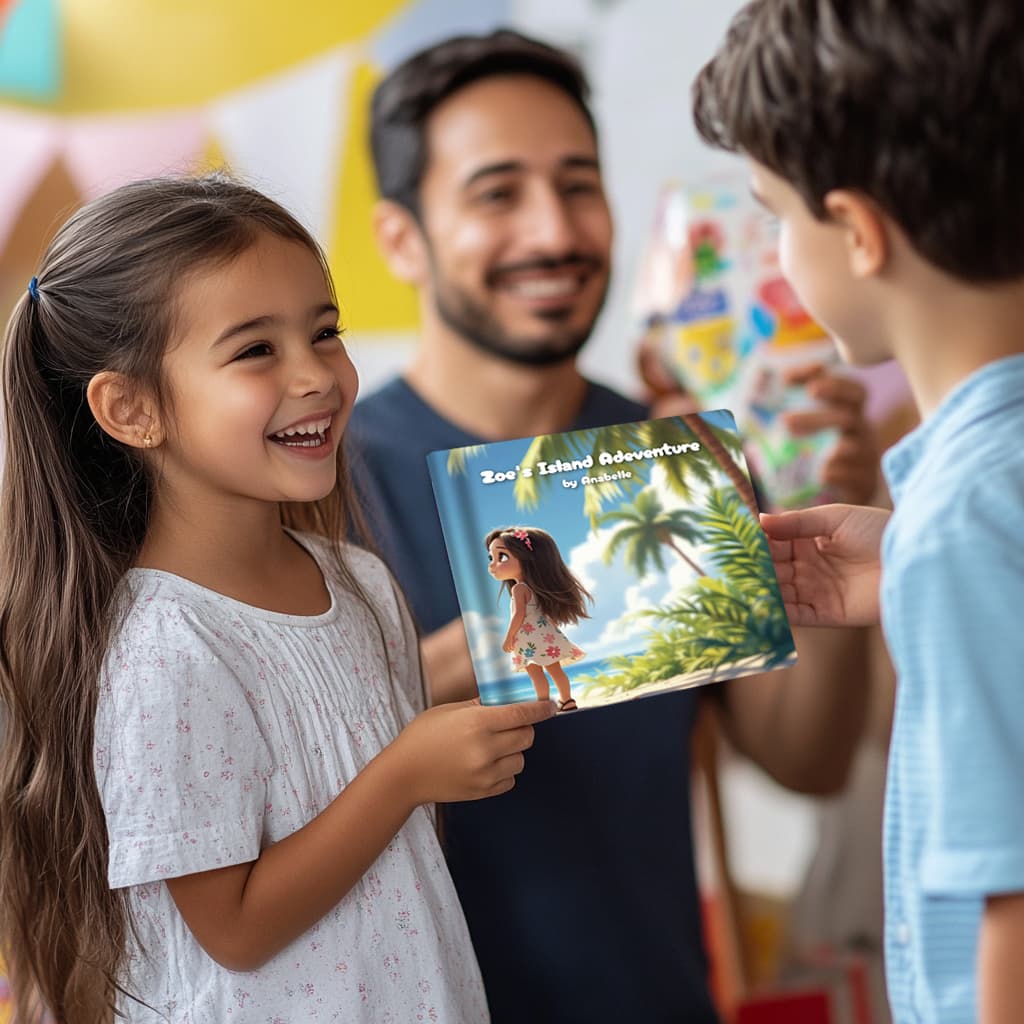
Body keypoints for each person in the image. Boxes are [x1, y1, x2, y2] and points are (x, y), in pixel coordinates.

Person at [348, 30, 877, 1023]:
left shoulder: (672, 456)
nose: (553, 230)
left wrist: (820, 535)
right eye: (497, 192)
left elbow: (805, 759)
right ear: (400, 238)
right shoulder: (328, 481)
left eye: (578, 183)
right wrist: (498, 647)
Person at [0, 174, 558, 1024]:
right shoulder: (164, 648)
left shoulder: (358, 581)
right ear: (131, 408)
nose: (317, 376)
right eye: (256, 349)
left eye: (324, 331)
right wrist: (408, 771)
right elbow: (234, 928)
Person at [692, 2, 1024, 1021]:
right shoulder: (975, 501)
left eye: (775, 215)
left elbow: (1011, 892)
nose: (779, 253)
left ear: (859, 233)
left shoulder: (967, 519)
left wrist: (938, 557)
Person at [486, 526, 590, 710]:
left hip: (527, 640)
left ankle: (543, 705)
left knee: (535, 674)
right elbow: (542, 612)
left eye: (502, 557)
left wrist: (509, 637)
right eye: (491, 558)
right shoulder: (534, 588)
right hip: (544, 637)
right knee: (555, 670)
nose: (492, 565)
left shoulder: (519, 589)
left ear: (526, 559)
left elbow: (519, 615)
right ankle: (567, 700)